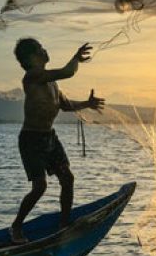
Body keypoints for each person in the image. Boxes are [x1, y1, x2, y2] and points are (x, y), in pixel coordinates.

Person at [9, 38, 105, 244]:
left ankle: (64, 224)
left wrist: (87, 103)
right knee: (40, 187)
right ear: (32, 57)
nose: (45, 50)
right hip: (31, 139)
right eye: (41, 49)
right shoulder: (32, 76)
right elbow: (68, 71)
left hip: (49, 137)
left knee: (67, 179)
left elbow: (66, 105)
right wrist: (76, 58)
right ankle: (16, 226)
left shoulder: (52, 82)